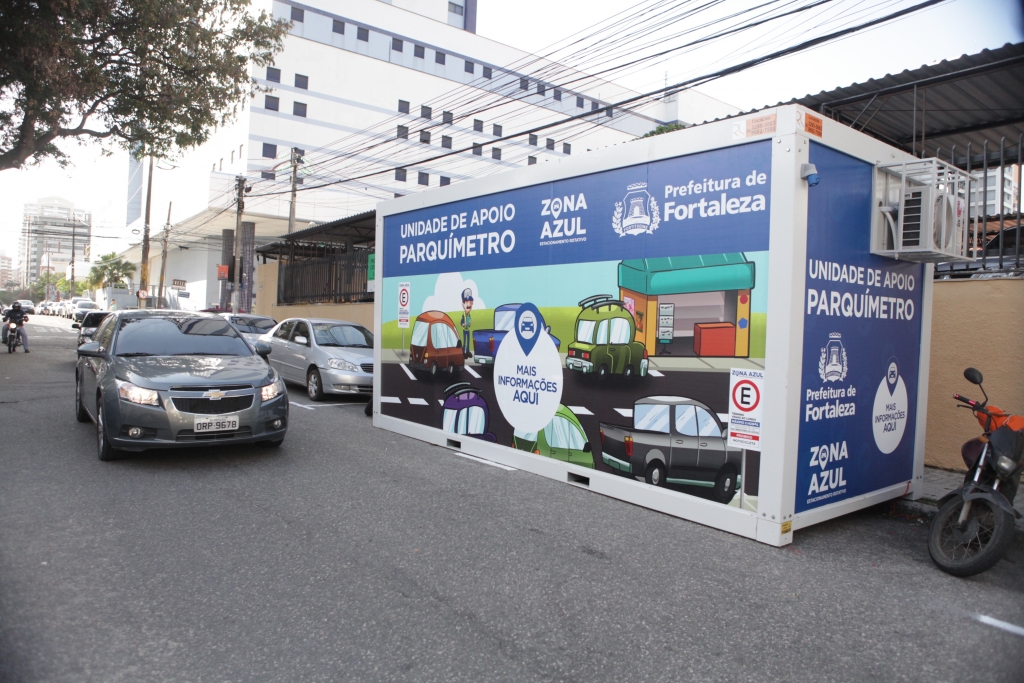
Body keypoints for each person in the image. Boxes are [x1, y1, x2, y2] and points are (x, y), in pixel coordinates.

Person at [459, 288, 474, 357]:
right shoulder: (463, 314)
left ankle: (467, 351)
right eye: (467, 302)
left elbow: (469, 321)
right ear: (463, 304)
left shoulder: (469, 314)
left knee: (468, 341)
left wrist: (470, 323)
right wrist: (463, 324)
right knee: (465, 341)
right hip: (464, 330)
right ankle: (464, 352)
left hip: (468, 330)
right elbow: (461, 322)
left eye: (470, 302)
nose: (469, 305)